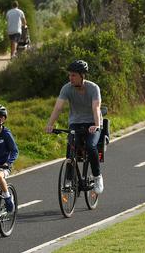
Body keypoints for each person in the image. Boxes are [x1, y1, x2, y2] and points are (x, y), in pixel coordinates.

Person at [45, 60, 104, 195]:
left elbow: (96, 107)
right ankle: (69, 179)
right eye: (69, 75)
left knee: (90, 146)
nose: (70, 78)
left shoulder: (93, 88)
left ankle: (97, 177)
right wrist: (50, 124)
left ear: (82, 76)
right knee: (71, 146)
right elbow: (58, 107)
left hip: (92, 123)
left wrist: (96, 125)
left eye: (73, 75)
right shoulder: (66, 88)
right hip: (75, 123)